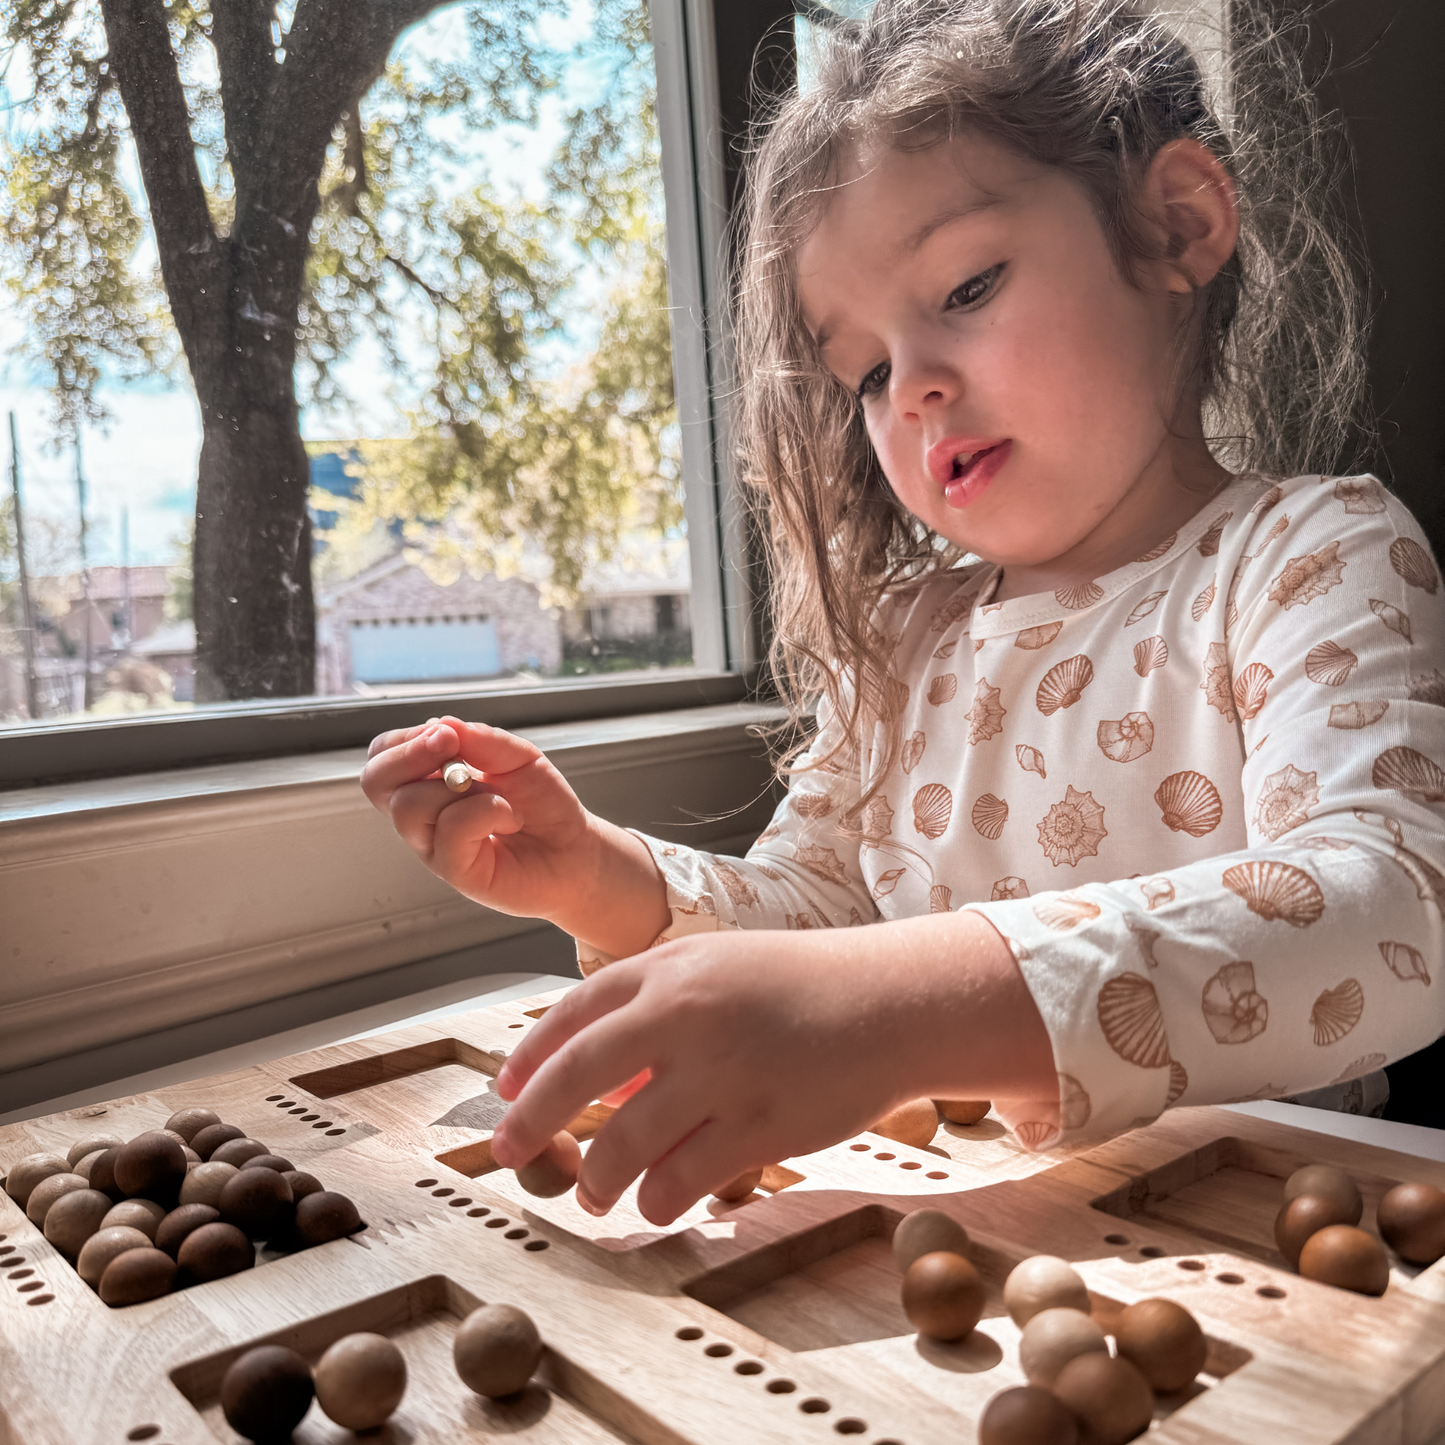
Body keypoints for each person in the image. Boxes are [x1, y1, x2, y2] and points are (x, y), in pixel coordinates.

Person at [361, 0, 1445, 1225]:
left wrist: (881, 1015)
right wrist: (604, 880)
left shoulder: (1305, 553)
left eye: (967, 284)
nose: (913, 385)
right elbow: (808, 914)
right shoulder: (901, 640)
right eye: (864, 371)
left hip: (1265, 1250)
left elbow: (1392, 907)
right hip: (964, 1243)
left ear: (1173, 224)